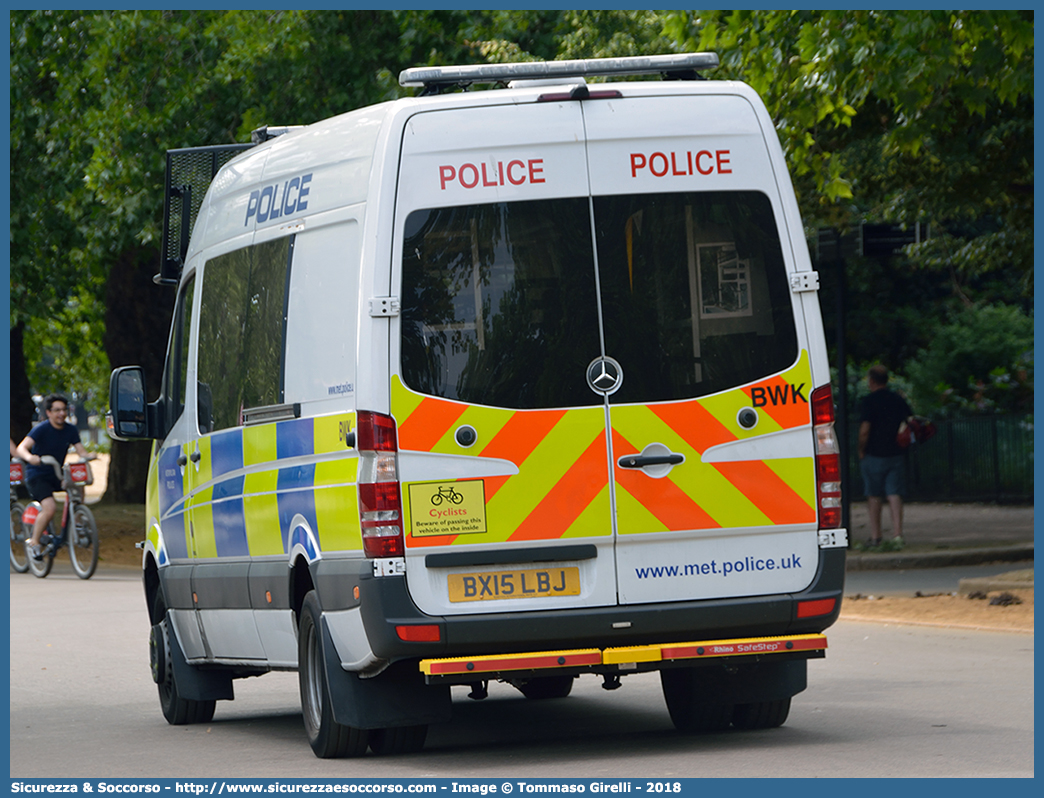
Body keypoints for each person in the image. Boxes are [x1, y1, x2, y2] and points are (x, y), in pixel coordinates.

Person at [15, 393, 95, 561]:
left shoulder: (71, 430)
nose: (61, 414)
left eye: (64, 410)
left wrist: (88, 455)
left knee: (77, 485)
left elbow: (80, 450)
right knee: (50, 508)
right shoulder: (41, 429)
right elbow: (22, 448)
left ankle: (78, 520)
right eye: (56, 410)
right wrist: (30, 458)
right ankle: (34, 542)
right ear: (49, 413)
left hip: (56, 474)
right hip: (37, 475)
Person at [857, 365, 913, 547]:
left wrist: (861, 449)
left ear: (871, 381)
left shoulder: (869, 401)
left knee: (873, 495)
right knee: (894, 493)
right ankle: (898, 534)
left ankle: (876, 536)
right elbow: (910, 421)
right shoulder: (898, 399)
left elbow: (865, 430)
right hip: (895, 452)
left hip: (873, 453)